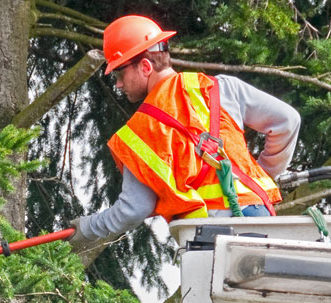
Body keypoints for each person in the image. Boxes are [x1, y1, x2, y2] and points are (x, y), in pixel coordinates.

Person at [68, 15, 301, 249]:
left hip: (212, 236)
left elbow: (134, 209)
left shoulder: (142, 130)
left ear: (145, 66)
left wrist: (88, 228)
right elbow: (287, 121)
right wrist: (262, 176)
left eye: (120, 73)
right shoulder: (219, 88)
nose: (118, 84)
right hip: (262, 218)